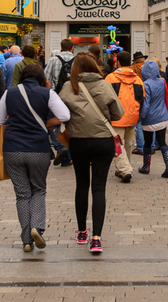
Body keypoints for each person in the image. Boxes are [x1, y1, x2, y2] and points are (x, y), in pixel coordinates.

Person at [0, 64, 70, 252]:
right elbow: (64, 115)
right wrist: (49, 122)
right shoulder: (48, 93)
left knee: (22, 194)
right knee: (38, 189)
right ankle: (37, 226)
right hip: (38, 149)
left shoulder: (10, 93)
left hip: (12, 149)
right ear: (41, 78)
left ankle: (26, 239)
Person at [58, 53, 123, 255]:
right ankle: (97, 238)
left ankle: (82, 232)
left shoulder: (69, 86)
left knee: (82, 185)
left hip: (78, 141)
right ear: (95, 66)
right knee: (99, 188)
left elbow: (60, 113)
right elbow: (118, 113)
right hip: (103, 141)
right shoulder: (105, 85)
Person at [105, 50, 142, 183]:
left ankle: (125, 169)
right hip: (132, 116)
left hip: (116, 116)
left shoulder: (110, 78)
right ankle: (125, 167)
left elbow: (105, 97)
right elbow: (141, 98)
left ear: (118, 62)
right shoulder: (137, 79)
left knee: (117, 144)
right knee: (128, 143)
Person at [138, 60, 168, 178]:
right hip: (163, 116)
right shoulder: (162, 81)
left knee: (147, 143)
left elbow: (146, 104)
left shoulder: (146, 84)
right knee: (162, 142)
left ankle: (146, 167)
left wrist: (141, 116)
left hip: (149, 119)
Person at [45, 39, 76, 166]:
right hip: (72, 98)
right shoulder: (77, 60)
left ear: (61, 47)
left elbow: (46, 80)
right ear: (72, 48)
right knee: (71, 127)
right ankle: (69, 155)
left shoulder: (53, 60)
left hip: (55, 98)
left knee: (54, 125)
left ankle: (60, 148)